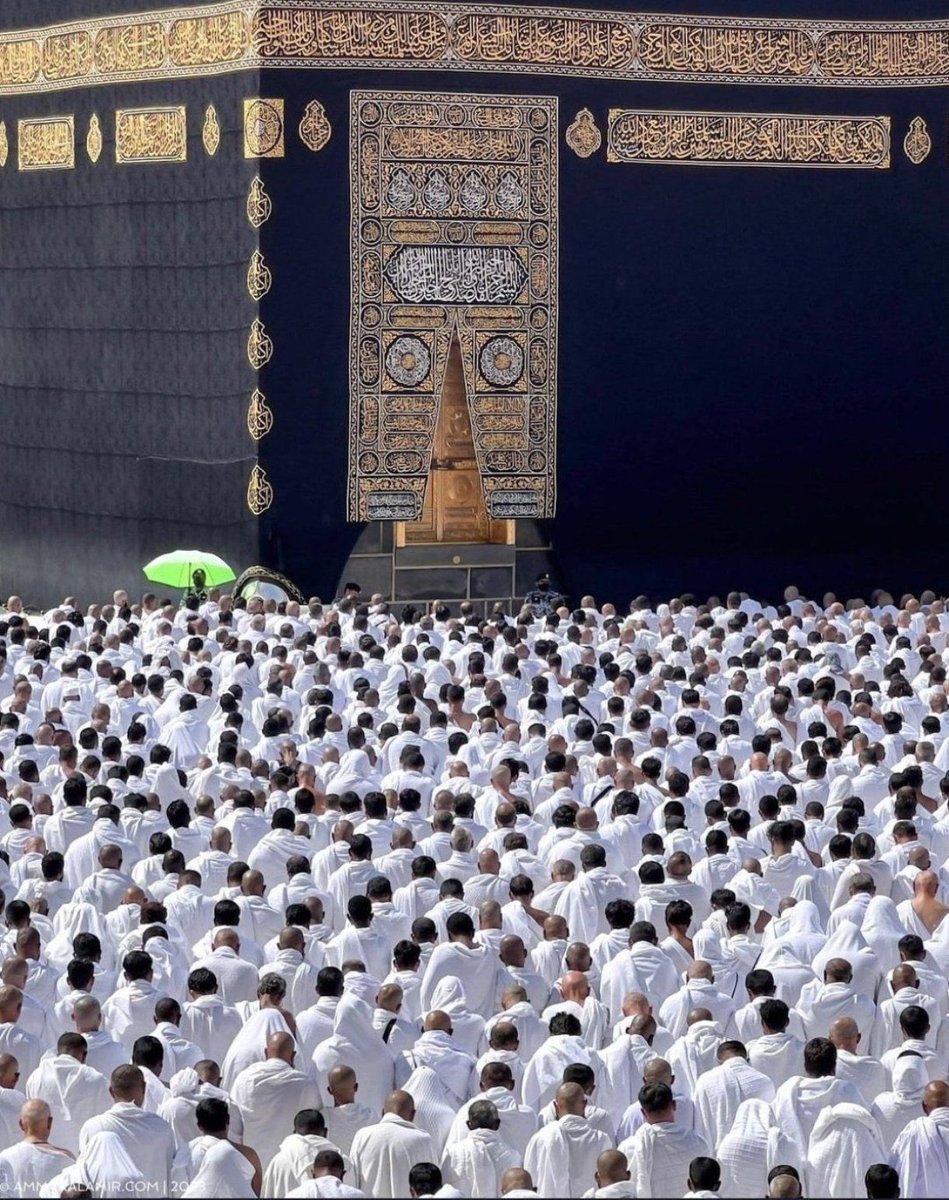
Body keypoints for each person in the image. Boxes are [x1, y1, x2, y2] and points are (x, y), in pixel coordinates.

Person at [349, 1091, 435, 1199]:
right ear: (413, 1114)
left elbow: (352, 1181)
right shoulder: (423, 1140)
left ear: (382, 1112)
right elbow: (433, 1185)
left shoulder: (362, 1136)